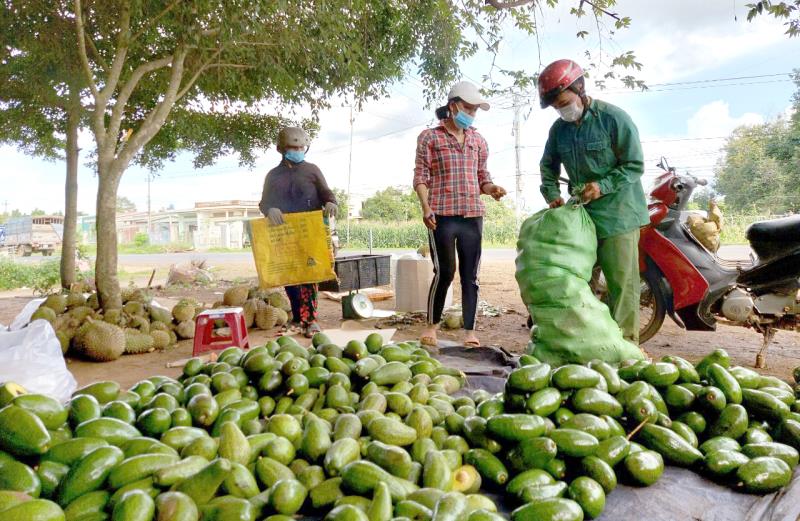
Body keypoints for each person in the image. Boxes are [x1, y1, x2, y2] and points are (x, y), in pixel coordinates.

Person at [538, 59, 650, 345]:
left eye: (564, 102)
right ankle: (585, 344)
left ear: (580, 89)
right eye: (556, 107)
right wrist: (552, 194)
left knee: (621, 285)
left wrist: (602, 186)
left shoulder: (613, 119)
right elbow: (548, 165)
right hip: (580, 219)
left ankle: (625, 348)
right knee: (577, 283)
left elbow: (634, 165)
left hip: (618, 216)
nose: (562, 110)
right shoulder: (559, 130)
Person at [413, 81, 507, 348]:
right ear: (453, 106)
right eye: (468, 108)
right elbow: (421, 176)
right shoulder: (430, 137)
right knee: (444, 272)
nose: (471, 114)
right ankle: (432, 325)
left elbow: (482, 177)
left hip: (472, 215)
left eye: (475, 110)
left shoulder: (478, 140)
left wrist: (492, 189)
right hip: (441, 216)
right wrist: (426, 207)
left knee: (470, 276)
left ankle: (469, 332)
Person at [259, 126, 338, 338]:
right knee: (291, 277)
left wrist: (331, 202)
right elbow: (264, 203)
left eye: (301, 147)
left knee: (309, 276)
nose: (298, 151)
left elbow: (326, 193)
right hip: (284, 234)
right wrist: (270, 209)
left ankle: (310, 321)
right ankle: (296, 317)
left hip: (310, 232)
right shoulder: (273, 176)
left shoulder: (312, 170)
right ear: (281, 149)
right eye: (293, 148)